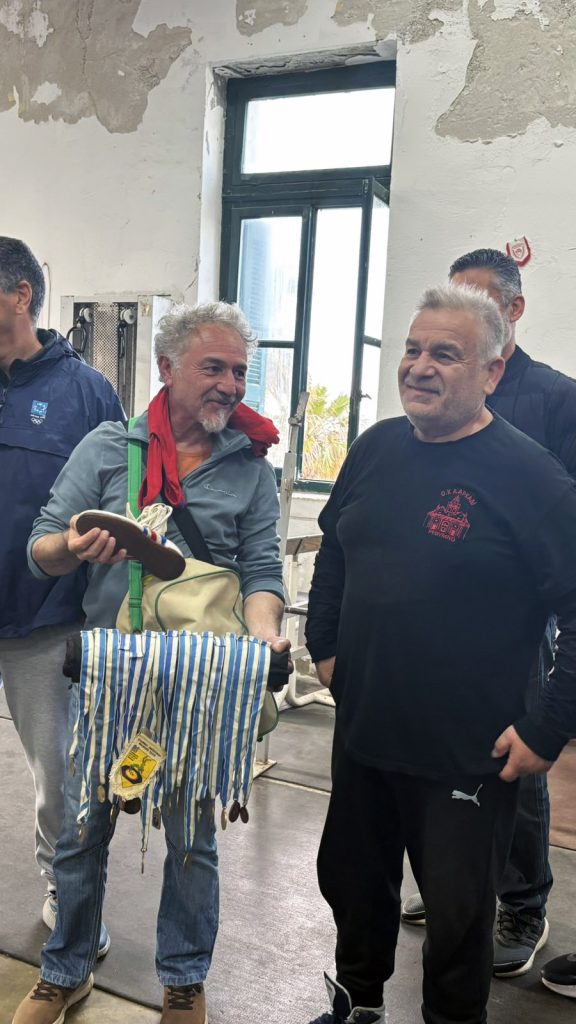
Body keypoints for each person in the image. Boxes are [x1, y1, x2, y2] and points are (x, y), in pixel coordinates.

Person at [305, 283, 576, 1024]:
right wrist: (323, 644)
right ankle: (356, 1005)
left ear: (492, 371)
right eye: (413, 349)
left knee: (458, 920)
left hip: (468, 752)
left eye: (446, 355)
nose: (419, 367)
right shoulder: (376, 448)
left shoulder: (532, 478)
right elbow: (336, 548)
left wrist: (549, 727)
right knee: (354, 887)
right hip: (366, 733)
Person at [12, 301, 288, 1024]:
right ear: (166, 368)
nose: (231, 385)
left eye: (240, 371)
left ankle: (184, 981)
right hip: (113, 676)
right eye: (214, 368)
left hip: (201, 678)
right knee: (83, 828)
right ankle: (66, 968)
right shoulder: (109, 449)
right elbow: (41, 549)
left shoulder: (252, 468)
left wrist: (265, 636)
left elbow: (262, 573)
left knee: (193, 840)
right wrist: (75, 546)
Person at [401, 247, 576, 978]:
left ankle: (521, 901)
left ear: (514, 311)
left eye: (480, 302)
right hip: (441, 622)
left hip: (521, 625)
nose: (463, 315)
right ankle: (452, 873)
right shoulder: (434, 395)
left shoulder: (556, 400)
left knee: (513, 759)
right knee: (439, 748)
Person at [0, 237, 123, 950]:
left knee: (61, 774)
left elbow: (118, 505)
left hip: (46, 619)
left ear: (21, 294)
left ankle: (68, 894)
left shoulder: (86, 392)